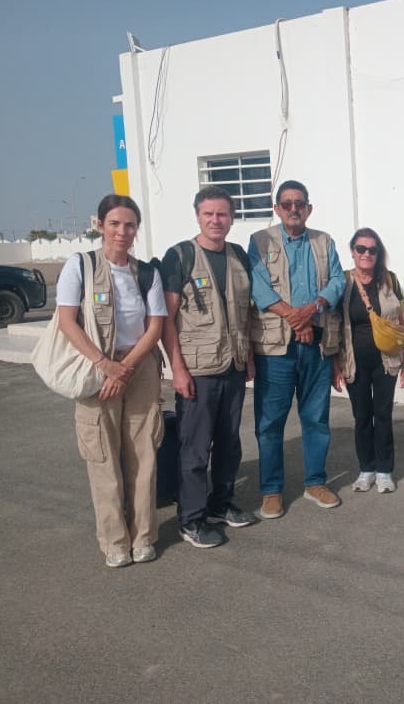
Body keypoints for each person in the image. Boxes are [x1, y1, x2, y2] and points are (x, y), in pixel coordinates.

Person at [56, 194, 167, 568]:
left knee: (143, 454)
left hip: (139, 365)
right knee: (102, 456)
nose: (123, 231)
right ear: (100, 225)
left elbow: (155, 327)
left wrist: (125, 368)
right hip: (95, 365)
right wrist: (105, 364)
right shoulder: (80, 266)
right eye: (115, 223)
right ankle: (115, 541)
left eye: (130, 225)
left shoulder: (147, 273)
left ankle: (143, 536)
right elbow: (67, 321)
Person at [160, 186, 257, 550]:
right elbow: (167, 319)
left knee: (230, 444)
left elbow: (246, 314)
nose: (216, 220)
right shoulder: (181, 256)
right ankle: (191, 519)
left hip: (233, 365)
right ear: (198, 216)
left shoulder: (238, 256)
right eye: (209, 214)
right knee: (196, 449)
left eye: (222, 214)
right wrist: (178, 369)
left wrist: (249, 359)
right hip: (198, 371)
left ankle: (221, 503)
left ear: (232, 218)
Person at [249, 180, 346, 518]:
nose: (294, 209)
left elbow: (338, 281)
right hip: (276, 348)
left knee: (316, 418)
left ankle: (315, 482)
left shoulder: (324, 241)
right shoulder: (260, 241)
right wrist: (297, 318)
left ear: (309, 208)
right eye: (287, 203)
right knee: (270, 422)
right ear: (277, 208)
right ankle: (271, 490)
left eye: (300, 203)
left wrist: (313, 308)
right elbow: (259, 287)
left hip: (316, 347)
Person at [332, 228, 404, 493]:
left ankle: (385, 470)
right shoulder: (343, 282)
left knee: (383, 414)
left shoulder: (389, 280)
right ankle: (366, 469)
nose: (366, 254)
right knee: (362, 416)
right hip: (354, 362)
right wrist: (335, 365)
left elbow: (400, 325)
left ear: (379, 253)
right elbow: (334, 325)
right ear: (352, 251)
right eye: (361, 249)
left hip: (386, 361)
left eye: (372, 249)